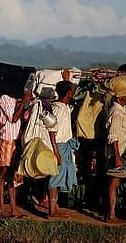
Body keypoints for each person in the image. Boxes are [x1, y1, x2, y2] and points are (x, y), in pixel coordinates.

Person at [47, 81, 79, 218]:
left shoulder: (65, 106)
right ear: (69, 93)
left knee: (59, 178)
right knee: (55, 178)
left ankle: (54, 207)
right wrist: (56, 152)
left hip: (64, 146)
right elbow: (52, 132)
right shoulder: (58, 109)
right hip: (59, 146)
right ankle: (51, 210)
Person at [0, 90, 31, 217]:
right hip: (7, 139)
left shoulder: (17, 98)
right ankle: (1, 209)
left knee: (14, 175)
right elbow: (14, 118)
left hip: (17, 139)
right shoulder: (4, 98)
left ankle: (13, 208)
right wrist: (25, 101)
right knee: (3, 173)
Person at [105, 90, 126, 223]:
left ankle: (111, 213)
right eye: (125, 96)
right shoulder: (117, 113)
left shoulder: (121, 109)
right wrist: (117, 156)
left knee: (115, 182)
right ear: (118, 97)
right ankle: (111, 214)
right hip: (118, 153)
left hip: (121, 152)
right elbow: (113, 137)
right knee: (114, 182)